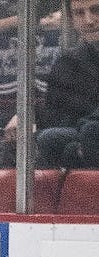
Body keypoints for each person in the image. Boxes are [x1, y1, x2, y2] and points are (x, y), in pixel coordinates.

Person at [36, 0, 99, 169]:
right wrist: (24, 116)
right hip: (84, 135)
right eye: (79, 13)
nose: (89, 20)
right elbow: (55, 117)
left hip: (90, 132)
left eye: (96, 10)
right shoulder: (67, 62)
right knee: (49, 138)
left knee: (91, 131)